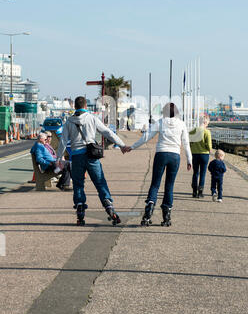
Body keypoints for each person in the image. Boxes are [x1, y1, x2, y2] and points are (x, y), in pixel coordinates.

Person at [56, 96, 129, 226]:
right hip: (91, 156)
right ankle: (109, 206)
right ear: (85, 106)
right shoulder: (92, 118)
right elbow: (107, 132)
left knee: (78, 184)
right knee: (100, 183)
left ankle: (80, 209)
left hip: (77, 156)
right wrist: (122, 145)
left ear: (75, 107)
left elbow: (63, 140)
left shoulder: (69, 122)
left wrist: (58, 158)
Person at [126, 103, 192, 227]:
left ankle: (149, 210)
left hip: (161, 154)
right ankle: (166, 216)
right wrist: (189, 160)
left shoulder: (160, 122)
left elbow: (146, 136)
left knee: (155, 184)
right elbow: (186, 143)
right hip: (174, 156)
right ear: (176, 112)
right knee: (169, 185)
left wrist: (132, 147)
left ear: (164, 112)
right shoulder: (181, 124)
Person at [189, 115, 212, 198]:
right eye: (207, 124)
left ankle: (194, 192)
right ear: (205, 122)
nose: (207, 125)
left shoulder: (192, 131)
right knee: (203, 173)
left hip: (194, 154)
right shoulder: (207, 132)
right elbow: (209, 145)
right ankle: (200, 192)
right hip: (204, 154)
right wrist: (209, 150)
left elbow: (190, 142)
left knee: (195, 173)